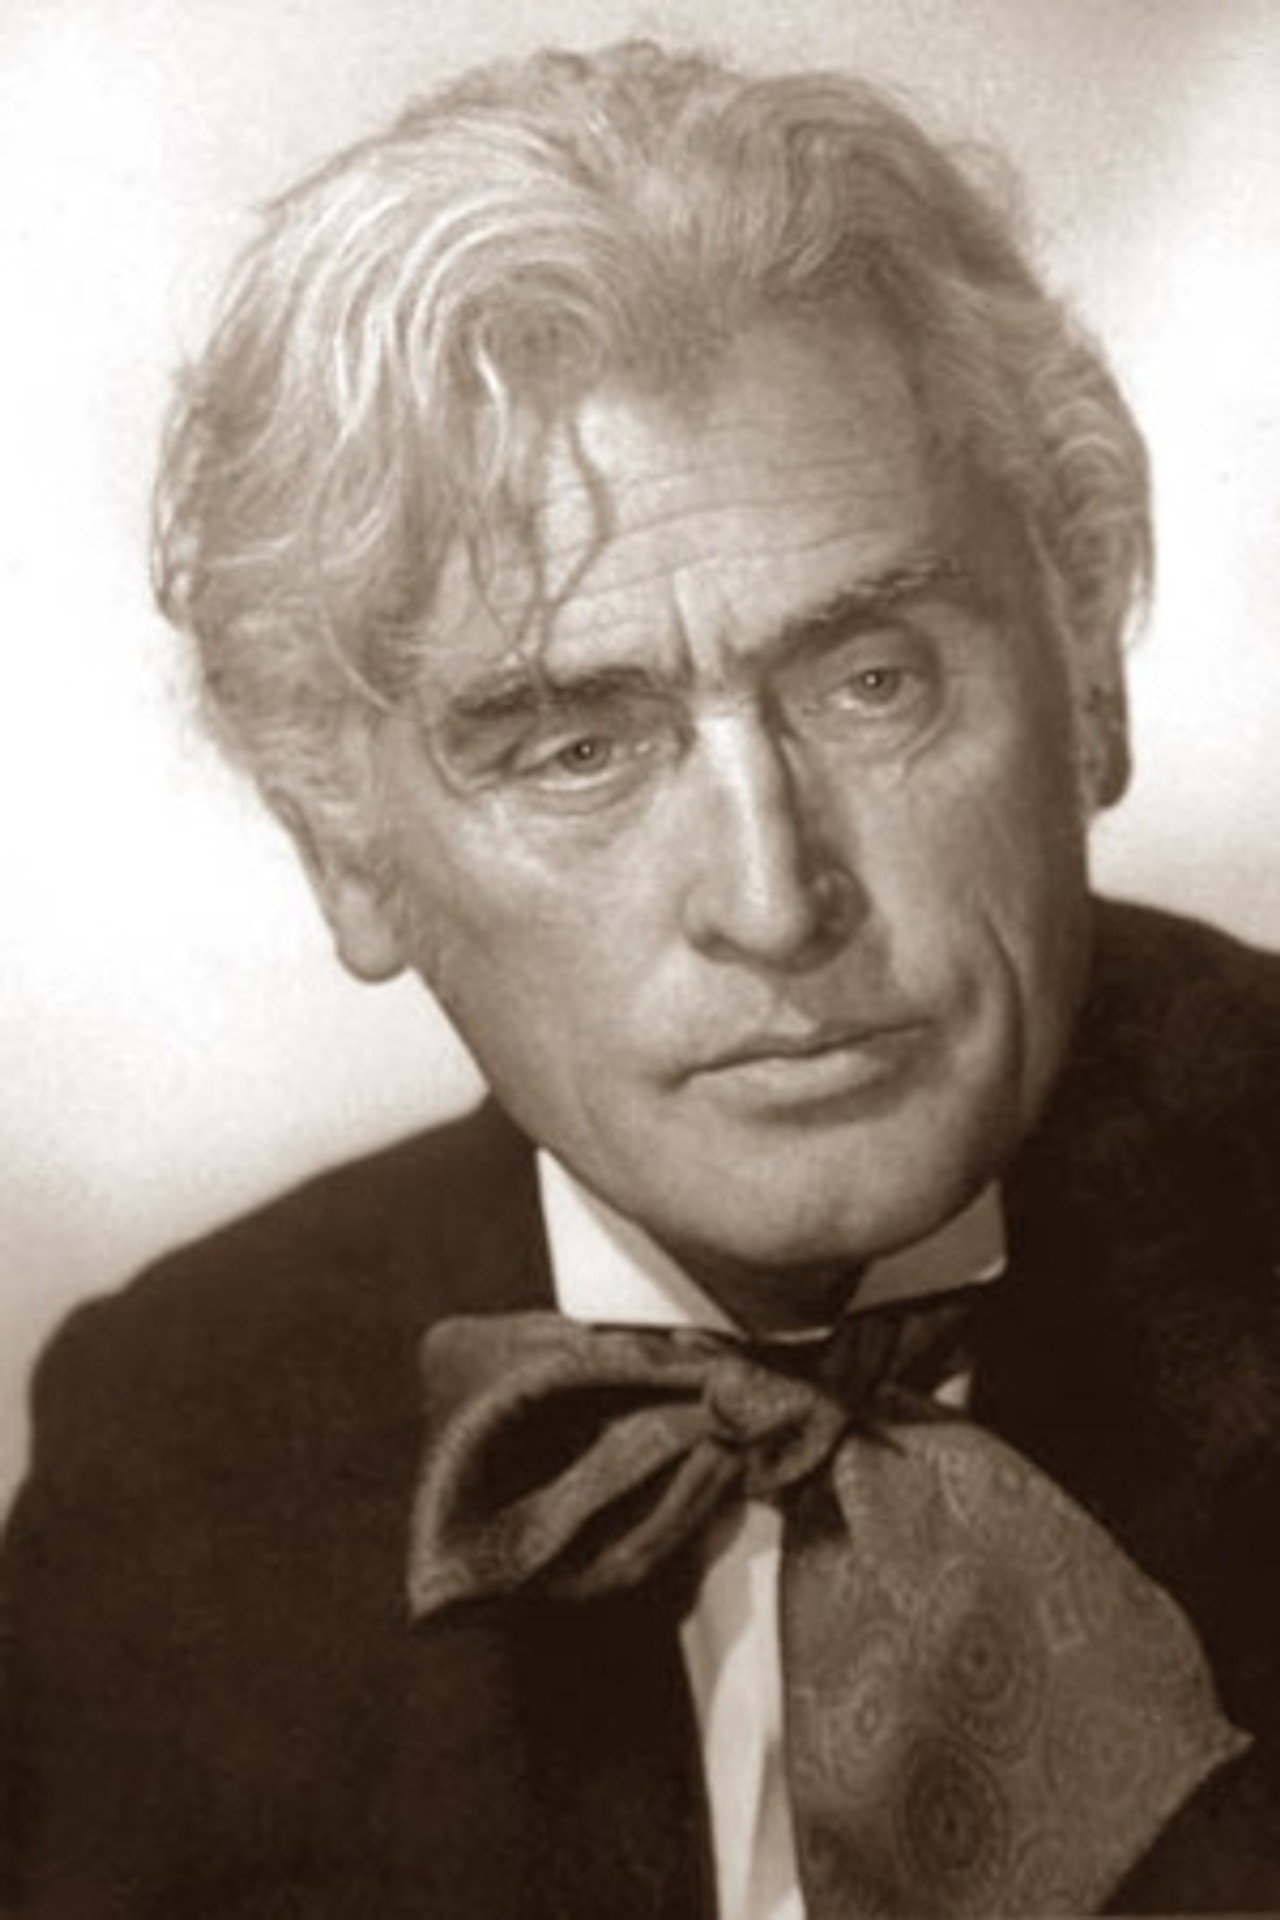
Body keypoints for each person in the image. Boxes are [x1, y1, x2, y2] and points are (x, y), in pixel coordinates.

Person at [3, 37, 1278, 1919]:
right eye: (577, 748)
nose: (774, 900)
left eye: (873, 682)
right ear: (345, 852)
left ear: (1088, 669)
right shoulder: (176, 1435)